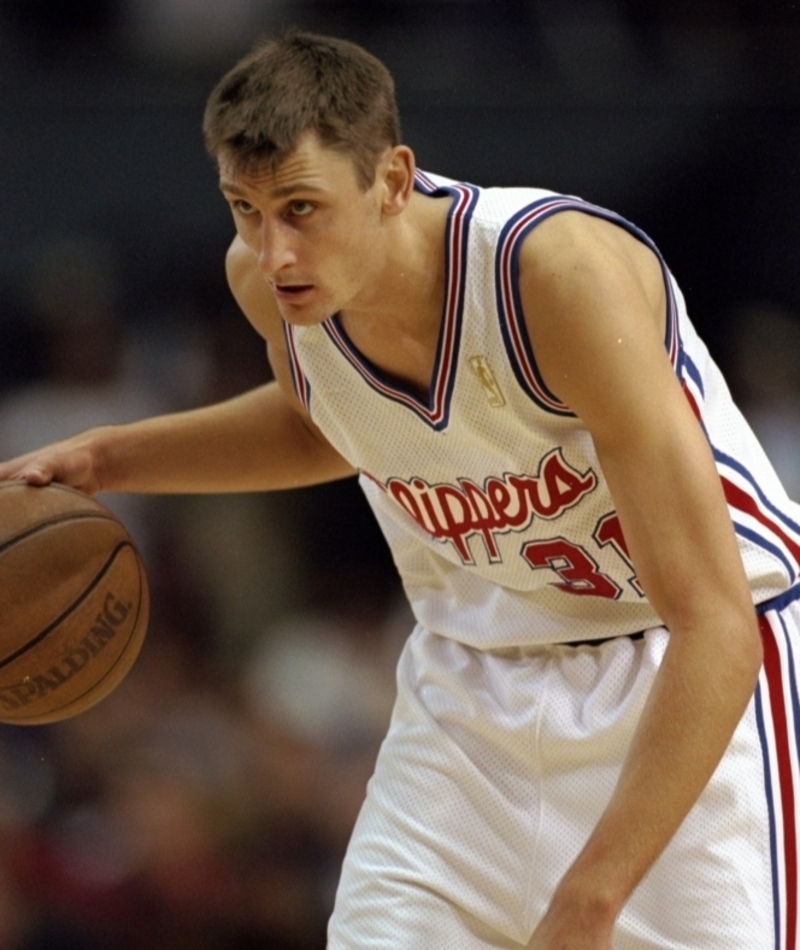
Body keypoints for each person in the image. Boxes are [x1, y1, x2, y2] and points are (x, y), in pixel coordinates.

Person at [2, 31, 799, 950]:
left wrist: (591, 900)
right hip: (469, 687)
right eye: (244, 210)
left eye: (302, 208)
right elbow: (330, 422)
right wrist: (107, 459)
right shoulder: (270, 286)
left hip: (679, 672)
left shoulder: (551, 277)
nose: (274, 252)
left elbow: (716, 620)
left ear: (390, 180)